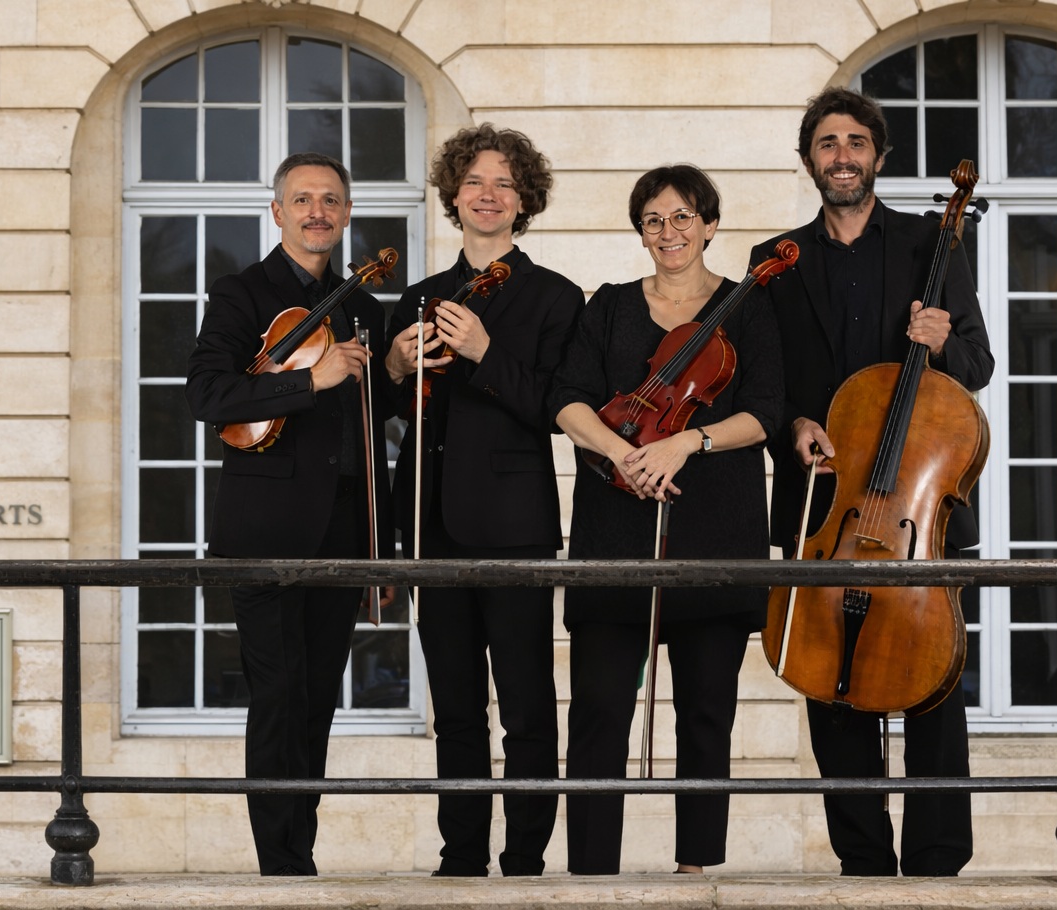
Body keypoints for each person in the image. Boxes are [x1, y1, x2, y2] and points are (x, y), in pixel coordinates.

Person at [749, 86, 994, 877]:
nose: (842, 156)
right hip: (825, 505)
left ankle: (935, 859)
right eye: (827, 143)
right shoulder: (776, 260)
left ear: (878, 156)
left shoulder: (932, 243)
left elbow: (977, 367)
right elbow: (766, 383)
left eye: (855, 142)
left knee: (933, 683)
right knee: (829, 681)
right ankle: (860, 859)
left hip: (917, 508)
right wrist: (793, 425)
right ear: (808, 160)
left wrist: (942, 338)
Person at [549, 164, 784, 874]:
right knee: (597, 710)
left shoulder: (748, 307)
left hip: (716, 530)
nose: (668, 231)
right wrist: (623, 453)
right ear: (640, 232)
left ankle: (695, 869)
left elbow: (766, 413)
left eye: (683, 216)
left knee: (707, 712)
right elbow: (567, 399)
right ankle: (592, 870)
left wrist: (687, 441)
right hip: (613, 533)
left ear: (709, 226)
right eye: (653, 219)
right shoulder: (609, 306)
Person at [383, 124, 583, 877]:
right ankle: (461, 856)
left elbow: (556, 409)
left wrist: (484, 353)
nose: (488, 194)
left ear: (524, 200)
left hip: (514, 525)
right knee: (456, 710)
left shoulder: (556, 297)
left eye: (504, 183)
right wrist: (394, 369)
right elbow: (388, 413)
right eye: (473, 182)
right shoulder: (419, 298)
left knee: (527, 707)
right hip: (431, 523)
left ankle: (525, 857)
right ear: (454, 196)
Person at [186, 152, 392, 876]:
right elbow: (208, 396)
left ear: (346, 213)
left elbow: (368, 428)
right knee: (278, 695)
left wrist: (393, 372)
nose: (317, 212)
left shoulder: (362, 306)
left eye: (330, 200)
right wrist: (310, 379)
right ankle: (282, 867)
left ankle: (298, 848)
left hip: (342, 530)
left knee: (317, 700)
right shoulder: (242, 293)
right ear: (277, 212)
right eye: (302, 199)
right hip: (265, 530)